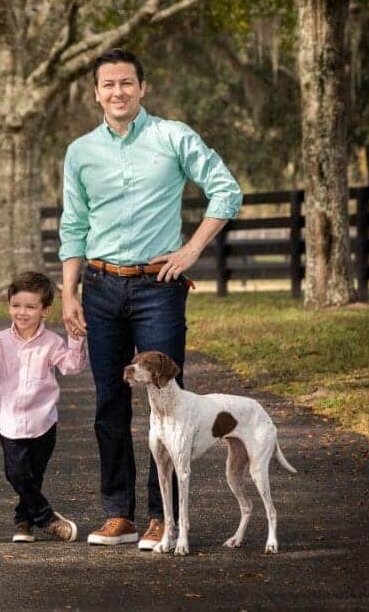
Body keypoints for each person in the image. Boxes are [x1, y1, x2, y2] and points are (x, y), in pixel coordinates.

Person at [58, 48, 243, 550]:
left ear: (142, 88)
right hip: (98, 287)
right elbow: (73, 225)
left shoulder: (173, 136)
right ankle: (119, 514)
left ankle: (165, 518)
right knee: (109, 403)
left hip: (157, 288)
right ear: (95, 93)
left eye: (126, 83)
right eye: (108, 84)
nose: (117, 92)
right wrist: (68, 291)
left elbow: (226, 191)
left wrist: (190, 250)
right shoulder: (80, 152)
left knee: (169, 400)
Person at [0, 271, 86, 544]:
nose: (22, 312)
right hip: (9, 421)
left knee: (33, 476)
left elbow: (72, 366)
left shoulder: (52, 342)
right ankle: (46, 518)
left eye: (31, 307)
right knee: (16, 473)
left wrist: (76, 340)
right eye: (16, 305)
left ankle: (23, 520)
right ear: (9, 306)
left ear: (45, 311)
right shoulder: (0, 341)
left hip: (43, 421)